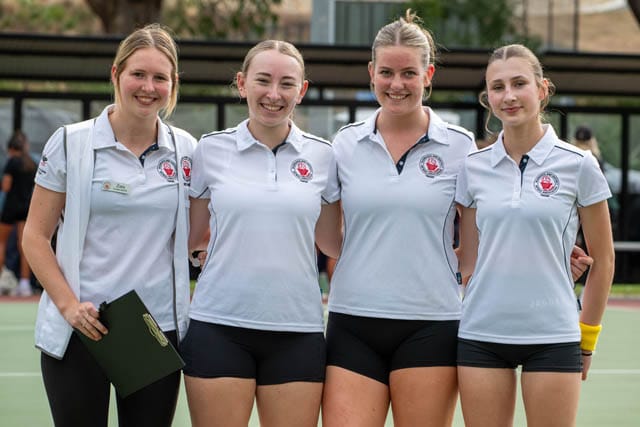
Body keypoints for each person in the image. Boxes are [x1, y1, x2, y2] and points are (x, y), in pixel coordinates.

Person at [321, 10, 594, 427]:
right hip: (353, 320)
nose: (397, 84)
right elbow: (329, 240)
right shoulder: (344, 143)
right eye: (387, 73)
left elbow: (477, 245)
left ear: (428, 75)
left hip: (433, 323)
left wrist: (544, 256)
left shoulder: (460, 146)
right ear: (371, 73)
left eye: (409, 73)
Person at [21, 24, 196, 427]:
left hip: (153, 329)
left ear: (173, 84)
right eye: (138, 74)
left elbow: (197, 233)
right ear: (116, 74)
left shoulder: (187, 149)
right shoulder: (70, 142)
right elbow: (35, 236)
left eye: (160, 77)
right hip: (82, 326)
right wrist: (69, 306)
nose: (148, 87)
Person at [180, 40, 341, 427]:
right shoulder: (210, 149)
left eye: (287, 83)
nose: (274, 94)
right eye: (263, 80)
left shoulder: (323, 155)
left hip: (297, 329)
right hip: (218, 325)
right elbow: (193, 238)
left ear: (302, 90)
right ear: (242, 83)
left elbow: (332, 243)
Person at [455, 44, 615, 427]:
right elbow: (469, 260)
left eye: (519, 83)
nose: (508, 96)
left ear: (542, 89)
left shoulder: (579, 164)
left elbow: (604, 260)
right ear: (487, 97)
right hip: (481, 333)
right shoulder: (472, 167)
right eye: (497, 87)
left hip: (554, 334)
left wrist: (587, 340)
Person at [0, 130, 36, 296]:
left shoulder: (12, 162)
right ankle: (25, 283)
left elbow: (6, 187)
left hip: (11, 207)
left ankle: (1, 277)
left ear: (11, 148)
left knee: (2, 243)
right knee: (24, 246)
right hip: (26, 207)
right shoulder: (31, 163)